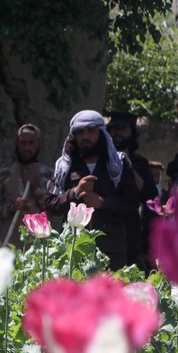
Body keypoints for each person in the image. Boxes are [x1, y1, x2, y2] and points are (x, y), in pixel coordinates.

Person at [46, 110, 140, 270]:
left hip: (111, 250)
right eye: (80, 132)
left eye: (91, 131)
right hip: (74, 249)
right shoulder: (65, 167)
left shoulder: (119, 165)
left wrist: (103, 202)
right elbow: (51, 204)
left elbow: (132, 203)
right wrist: (74, 192)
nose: (85, 137)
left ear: (101, 133)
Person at [0, 123, 54, 247]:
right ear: (17, 143)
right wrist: (12, 208)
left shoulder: (48, 175)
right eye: (23, 143)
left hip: (38, 246)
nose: (26, 148)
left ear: (39, 145)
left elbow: (53, 209)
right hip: (9, 243)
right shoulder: (4, 174)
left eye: (31, 143)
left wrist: (37, 186)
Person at [106, 111, 157, 269]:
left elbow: (150, 196)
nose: (117, 133)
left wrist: (127, 167)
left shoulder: (140, 163)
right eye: (113, 129)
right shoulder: (103, 161)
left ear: (132, 133)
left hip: (132, 236)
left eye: (123, 129)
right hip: (107, 232)